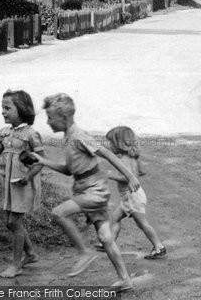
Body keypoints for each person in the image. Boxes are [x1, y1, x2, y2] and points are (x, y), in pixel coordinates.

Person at [31, 93, 140, 292]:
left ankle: (84, 252)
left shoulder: (79, 135)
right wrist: (42, 161)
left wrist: (130, 176)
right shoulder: (69, 138)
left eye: (50, 118)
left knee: (58, 213)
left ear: (63, 118)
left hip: (94, 190)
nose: (47, 122)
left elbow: (106, 154)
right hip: (87, 189)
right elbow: (68, 170)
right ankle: (125, 279)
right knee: (106, 238)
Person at [0, 90, 44, 278]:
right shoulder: (4, 133)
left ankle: (16, 265)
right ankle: (31, 253)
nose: (3, 111)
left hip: (23, 184)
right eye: (2, 107)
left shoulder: (30, 134)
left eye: (8, 108)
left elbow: (41, 160)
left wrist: (29, 176)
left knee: (14, 222)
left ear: (22, 109)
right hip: (9, 184)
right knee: (9, 222)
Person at [102, 126, 166, 260]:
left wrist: (110, 175)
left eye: (111, 143)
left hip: (132, 196)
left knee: (142, 223)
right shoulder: (132, 158)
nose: (109, 146)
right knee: (114, 218)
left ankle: (159, 246)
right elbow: (140, 172)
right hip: (130, 197)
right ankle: (109, 243)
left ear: (119, 144)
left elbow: (127, 178)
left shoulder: (123, 160)